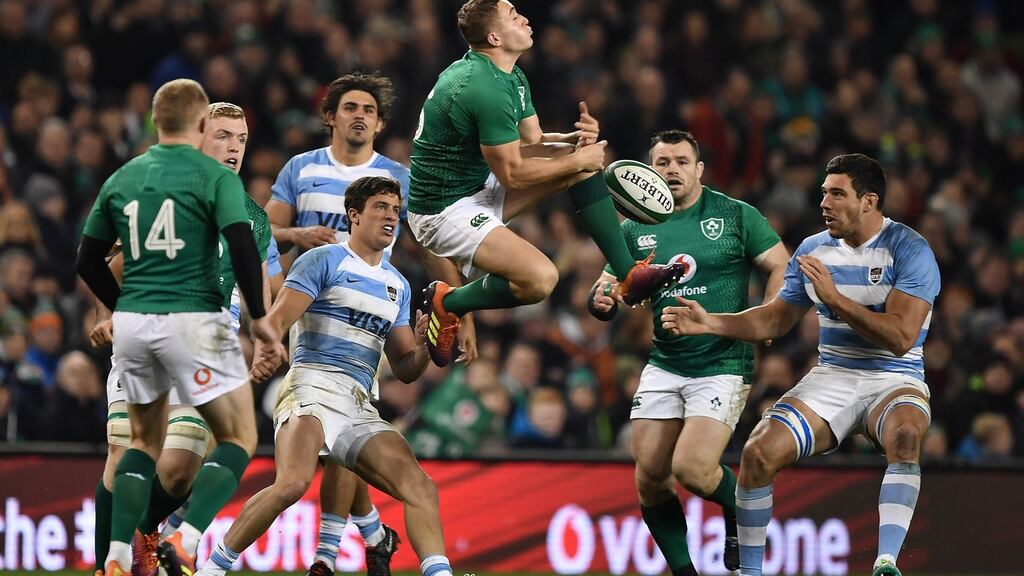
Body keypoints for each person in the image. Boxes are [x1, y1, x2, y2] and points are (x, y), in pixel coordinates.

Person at [661, 154, 940, 576]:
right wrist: (711, 322)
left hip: (894, 378)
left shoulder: (909, 248)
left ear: (869, 201)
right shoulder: (813, 250)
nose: (824, 202)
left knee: (905, 435)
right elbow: (776, 318)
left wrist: (835, 299)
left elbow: (901, 338)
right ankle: (749, 573)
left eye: (837, 194)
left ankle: (885, 562)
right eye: (823, 193)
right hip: (834, 375)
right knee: (757, 453)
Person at [76, 79, 285, 576]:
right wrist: (261, 324)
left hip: (152, 331)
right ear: (197, 132)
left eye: (242, 139)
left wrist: (118, 313)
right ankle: (160, 548)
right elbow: (116, 265)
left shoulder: (139, 180)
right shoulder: (212, 190)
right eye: (223, 135)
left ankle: (129, 547)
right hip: (195, 329)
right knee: (219, 440)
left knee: (171, 463)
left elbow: (91, 260)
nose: (234, 148)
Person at [408, 0, 686, 367]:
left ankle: (628, 274)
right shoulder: (480, 87)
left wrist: (573, 142)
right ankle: (449, 303)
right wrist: (577, 158)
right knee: (541, 279)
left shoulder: (508, 75)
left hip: (473, 188)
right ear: (494, 36)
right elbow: (512, 173)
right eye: (512, 16)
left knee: (582, 168)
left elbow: (531, 140)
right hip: (442, 211)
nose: (524, 17)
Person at [196, 176, 451, 576]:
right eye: (380, 208)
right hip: (310, 385)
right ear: (354, 215)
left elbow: (404, 370)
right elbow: (277, 318)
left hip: (358, 401)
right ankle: (212, 569)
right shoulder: (323, 260)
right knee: (292, 484)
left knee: (421, 487)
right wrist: (267, 349)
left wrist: (425, 349)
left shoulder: (398, 285)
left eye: (395, 210)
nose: (390, 217)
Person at [267, 72, 462, 576]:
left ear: (378, 122)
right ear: (330, 116)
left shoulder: (397, 177)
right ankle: (369, 534)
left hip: (370, 318)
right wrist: (295, 233)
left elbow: (432, 240)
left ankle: (332, 556)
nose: (360, 116)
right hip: (307, 307)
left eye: (369, 110)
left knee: (344, 438)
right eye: (350, 107)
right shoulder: (301, 167)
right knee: (331, 435)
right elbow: (259, 228)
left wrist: (461, 306)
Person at [588, 130, 788, 575]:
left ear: (699, 170)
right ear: (647, 172)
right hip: (665, 361)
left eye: (681, 161)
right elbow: (607, 287)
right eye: (662, 162)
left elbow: (780, 264)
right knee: (649, 476)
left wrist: (772, 314)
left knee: (693, 469)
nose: (672, 169)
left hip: (723, 361)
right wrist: (600, 300)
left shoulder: (734, 215)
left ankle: (738, 510)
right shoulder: (634, 225)